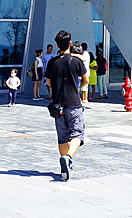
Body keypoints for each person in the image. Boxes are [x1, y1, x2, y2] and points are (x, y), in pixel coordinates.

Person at [45, 29, 88, 182]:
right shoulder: (76, 61)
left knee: (62, 137)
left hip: (58, 105)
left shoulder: (51, 62)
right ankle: (68, 158)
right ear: (70, 44)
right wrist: (77, 88)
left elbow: (48, 83)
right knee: (77, 133)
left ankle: (65, 164)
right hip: (74, 103)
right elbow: (86, 80)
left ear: (57, 45)